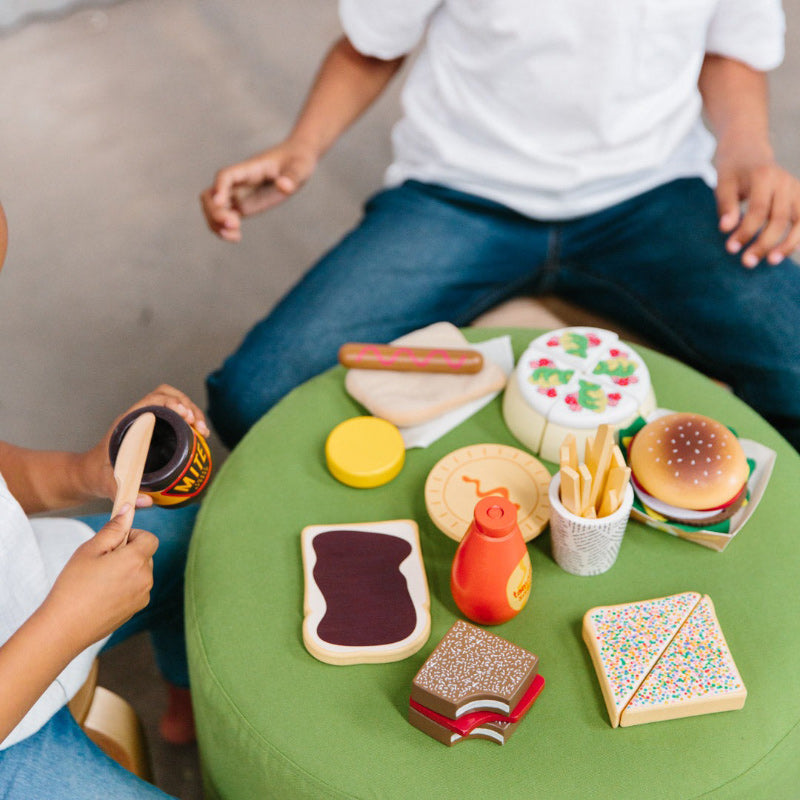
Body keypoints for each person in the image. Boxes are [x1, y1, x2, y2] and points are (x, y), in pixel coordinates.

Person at [200, 0, 800, 453]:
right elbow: (371, 47)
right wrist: (301, 147)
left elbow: (732, 48)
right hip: (460, 194)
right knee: (254, 397)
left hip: (651, 193)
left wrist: (747, 151)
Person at [0, 202, 206, 798]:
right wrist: (67, 624)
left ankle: (192, 708)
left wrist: (81, 472)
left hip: (26, 588)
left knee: (200, 536)